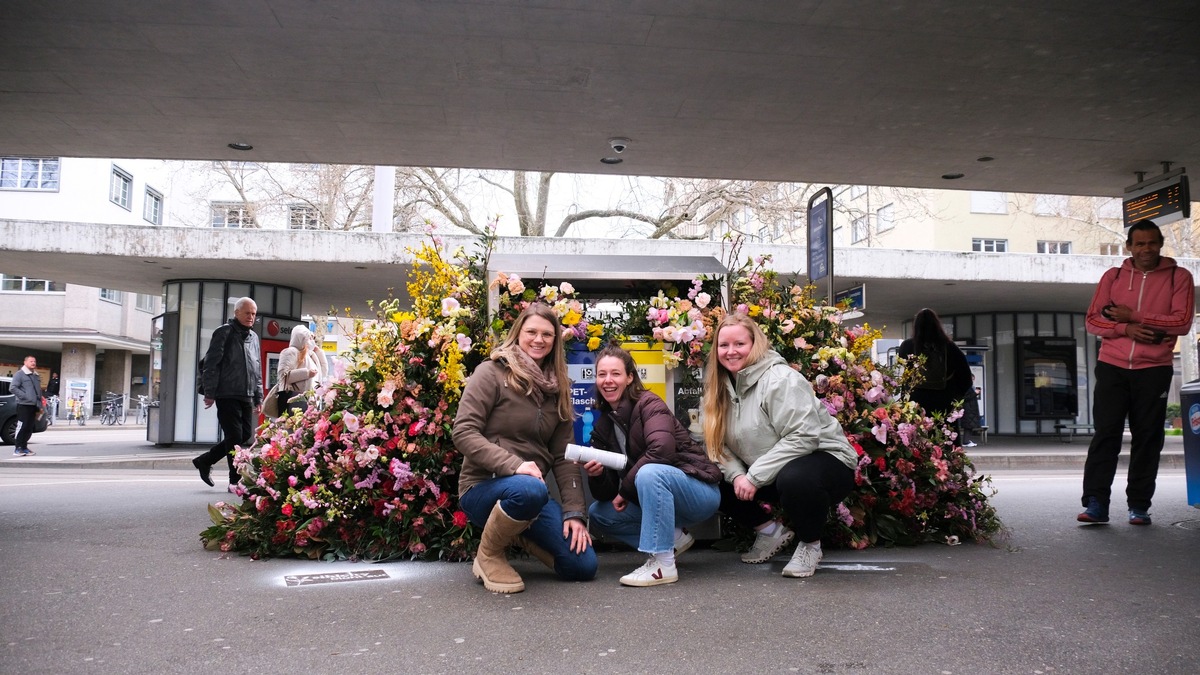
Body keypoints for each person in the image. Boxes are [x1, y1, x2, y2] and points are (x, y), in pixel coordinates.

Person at [452, 303, 597, 593]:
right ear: (519, 333)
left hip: (532, 496)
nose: (538, 339)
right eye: (531, 331)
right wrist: (514, 465)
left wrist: (575, 514)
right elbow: (463, 432)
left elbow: (564, 455)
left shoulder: (558, 388)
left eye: (547, 334)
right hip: (484, 488)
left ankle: (512, 532)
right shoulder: (491, 372)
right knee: (528, 489)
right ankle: (489, 554)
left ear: (555, 341)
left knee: (582, 566)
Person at [702, 314, 858, 578]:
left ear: (756, 345)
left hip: (825, 462)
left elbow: (803, 437)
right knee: (706, 473)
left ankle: (810, 544)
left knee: (796, 478)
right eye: (723, 345)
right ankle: (769, 532)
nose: (730, 352)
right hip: (767, 470)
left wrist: (754, 476)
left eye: (739, 344)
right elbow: (716, 444)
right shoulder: (719, 388)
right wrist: (739, 475)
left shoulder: (780, 379)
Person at [1078, 219, 1194, 526]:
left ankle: (1139, 505)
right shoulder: (1113, 276)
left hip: (1154, 369)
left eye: (1152, 242)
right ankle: (1095, 503)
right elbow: (1093, 322)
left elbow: (1182, 322)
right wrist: (1125, 327)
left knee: (1148, 437)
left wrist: (1136, 315)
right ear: (1129, 246)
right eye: (1140, 243)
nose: (1146, 249)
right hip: (1112, 366)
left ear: (1160, 244)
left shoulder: (1178, 277)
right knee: (1106, 434)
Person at [583, 345, 723, 587]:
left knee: (650, 472)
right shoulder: (604, 426)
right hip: (660, 499)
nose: (608, 380)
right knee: (599, 513)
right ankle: (674, 537)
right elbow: (606, 494)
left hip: (699, 492)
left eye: (615, 374)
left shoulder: (649, 404)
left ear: (629, 378)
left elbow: (661, 452)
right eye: (602, 374)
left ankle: (663, 563)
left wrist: (626, 489)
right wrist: (597, 475)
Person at [192, 298, 263, 489]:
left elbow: (257, 369)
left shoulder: (254, 338)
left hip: (246, 394)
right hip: (226, 393)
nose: (251, 317)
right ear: (236, 313)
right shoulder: (224, 332)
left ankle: (205, 460)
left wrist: (258, 397)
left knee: (245, 434)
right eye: (247, 313)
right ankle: (235, 480)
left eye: (254, 313)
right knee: (234, 437)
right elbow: (211, 364)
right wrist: (209, 392)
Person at [897, 308, 972, 422]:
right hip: (943, 405)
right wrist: (953, 395)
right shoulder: (950, 347)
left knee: (916, 437)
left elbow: (903, 376)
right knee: (944, 437)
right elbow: (966, 379)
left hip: (915, 405)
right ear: (937, 325)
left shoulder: (907, 346)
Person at [274, 325, 320, 416]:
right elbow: (284, 376)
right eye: (309, 338)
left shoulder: (310, 355)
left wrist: (318, 352)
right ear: (301, 338)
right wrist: (307, 373)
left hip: (310, 401)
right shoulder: (290, 352)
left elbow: (324, 371)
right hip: (294, 398)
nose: (311, 341)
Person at [11, 355, 44, 456]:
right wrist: (25, 397)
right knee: (22, 426)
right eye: (31, 361)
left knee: (29, 427)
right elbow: (13, 388)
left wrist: (40, 402)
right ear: (25, 362)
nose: (33, 363)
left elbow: (37, 390)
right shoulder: (20, 374)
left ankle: (24, 447)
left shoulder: (35, 375)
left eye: (34, 361)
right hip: (24, 405)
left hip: (34, 405)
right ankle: (18, 448)